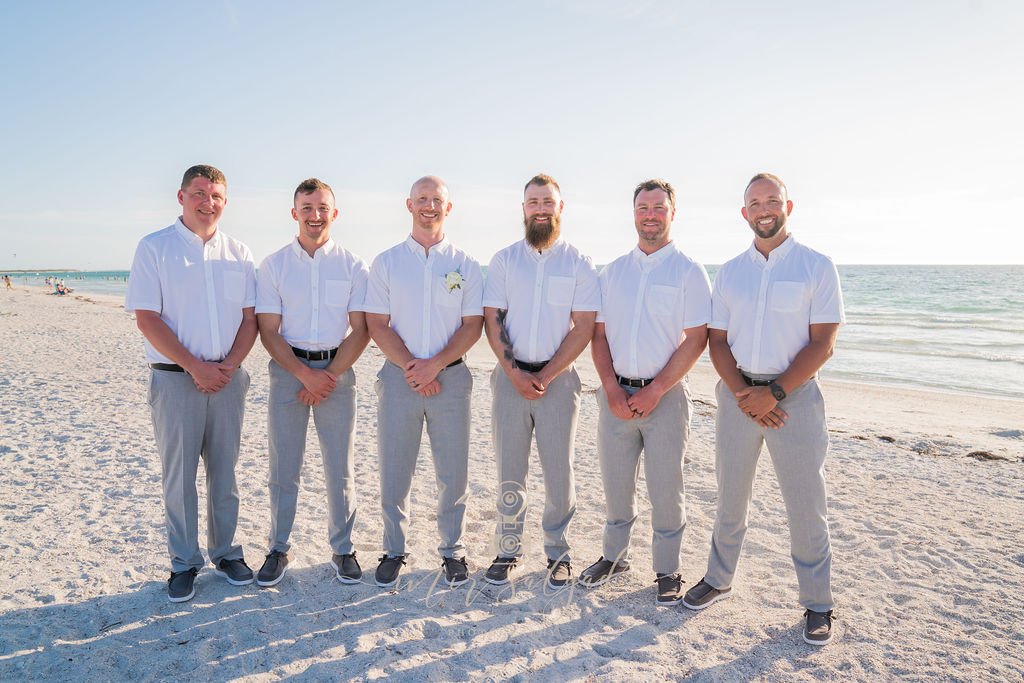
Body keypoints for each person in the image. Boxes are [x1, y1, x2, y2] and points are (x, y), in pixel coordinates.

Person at [683, 173, 844, 646]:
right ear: (744, 213)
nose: (764, 208)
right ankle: (718, 578)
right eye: (755, 202)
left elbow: (823, 344)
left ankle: (818, 603)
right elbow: (716, 343)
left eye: (772, 200)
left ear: (788, 206)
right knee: (730, 496)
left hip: (793, 401)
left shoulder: (817, 265)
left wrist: (772, 394)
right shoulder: (731, 271)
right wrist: (743, 396)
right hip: (737, 399)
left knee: (805, 504)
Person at [125, 164, 258, 603]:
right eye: (199, 193)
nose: (209, 202)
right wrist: (195, 367)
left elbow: (249, 319)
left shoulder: (239, 253)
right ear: (181, 197)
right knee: (179, 477)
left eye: (217, 195)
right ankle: (184, 562)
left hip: (227, 380)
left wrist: (229, 366)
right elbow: (147, 318)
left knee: (226, 473)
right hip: (175, 380)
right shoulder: (155, 248)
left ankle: (226, 553)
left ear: (226, 201)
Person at [579, 179, 710, 605]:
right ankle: (613, 557)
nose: (650, 214)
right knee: (616, 485)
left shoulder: (690, 271)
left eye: (658, 207)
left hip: (666, 398)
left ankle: (667, 568)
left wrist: (656, 390)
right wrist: (611, 389)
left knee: (666, 487)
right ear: (633, 213)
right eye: (642, 207)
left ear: (673, 212)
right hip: (615, 395)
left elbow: (695, 339)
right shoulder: (613, 272)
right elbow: (597, 336)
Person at [359, 176, 483, 589]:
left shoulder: (465, 264)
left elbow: (473, 324)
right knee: (396, 469)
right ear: (408, 205)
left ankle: (453, 550)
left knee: (453, 471)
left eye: (437, 200)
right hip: (399, 377)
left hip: (451, 377)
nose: (429, 206)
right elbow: (377, 323)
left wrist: (437, 364)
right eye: (422, 199)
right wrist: (414, 365)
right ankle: (394, 549)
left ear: (449, 208)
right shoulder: (388, 262)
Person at [481, 173, 599, 589]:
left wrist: (546, 375)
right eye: (533, 202)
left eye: (548, 202)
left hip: (560, 381)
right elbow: (492, 321)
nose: (541, 209)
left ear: (560, 208)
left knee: (558, 471)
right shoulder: (504, 260)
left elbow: (583, 328)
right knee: (510, 468)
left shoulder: (579, 263)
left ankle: (558, 553)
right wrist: (515, 373)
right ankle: (508, 550)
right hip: (509, 378)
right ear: (524, 209)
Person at [253, 178, 370, 587]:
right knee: (284, 467)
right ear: (294, 212)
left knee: (340, 468)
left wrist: (329, 376)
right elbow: (268, 330)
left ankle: (343, 549)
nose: (315, 215)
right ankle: (278, 548)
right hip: (288, 372)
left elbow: (361, 330)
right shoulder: (274, 265)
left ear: (334, 213)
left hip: (339, 371)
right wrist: (304, 375)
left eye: (322, 208)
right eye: (307, 207)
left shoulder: (354, 266)